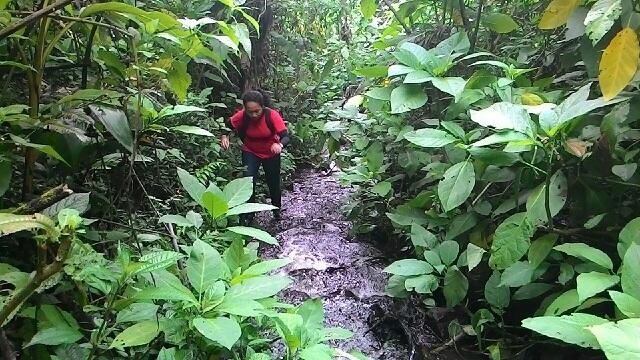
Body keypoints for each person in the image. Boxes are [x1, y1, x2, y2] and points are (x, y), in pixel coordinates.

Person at [220, 90, 290, 222]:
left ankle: (276, 210)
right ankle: (248, 214)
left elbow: (285, 137)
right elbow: (228, 125)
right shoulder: (241, 116)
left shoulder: (272, 115)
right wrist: (224, 136)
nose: (253, 115)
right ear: (245, 109)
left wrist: (279, 145)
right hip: (250, 151)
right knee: (248, 181)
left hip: (271, 152)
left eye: (257, 111)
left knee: (273, 181)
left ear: (262, 107)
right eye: (250, 111)